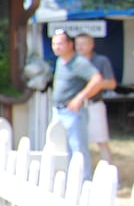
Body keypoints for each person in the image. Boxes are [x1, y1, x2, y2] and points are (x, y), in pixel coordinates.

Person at [50, 27, 104, 168]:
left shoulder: (79, 62)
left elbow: (97, 80)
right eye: (54, 44)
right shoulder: (60, 61)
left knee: (78, 149)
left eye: (60, 43)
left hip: (73, 112)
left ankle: (83, 181)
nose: (57, 47)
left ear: (70, 44)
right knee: (61, 148)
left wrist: (80, 97)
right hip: (58, 110)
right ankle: (67, 180)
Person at [74, 33, 118, 165]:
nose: (80, 48)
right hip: (76, 106)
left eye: (83, 44)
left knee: (101, 140)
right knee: (76, 141)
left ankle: (110, 174)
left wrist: (95, 84)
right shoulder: (72, 62)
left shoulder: (100, 61)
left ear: (91, 45)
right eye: (78, 45)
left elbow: (111, 83)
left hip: (94, 104)